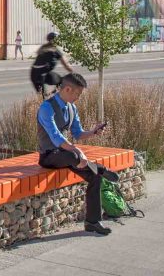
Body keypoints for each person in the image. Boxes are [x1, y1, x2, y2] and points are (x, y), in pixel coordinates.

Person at [37, 73, 119, 235]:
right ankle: (101, 168)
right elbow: (55, 136)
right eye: (77, 94)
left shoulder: (71, 108)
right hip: (49, 155)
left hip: (66, 154)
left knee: (94, 176)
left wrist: (93, 132)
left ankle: (92, 222)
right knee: (75, 156)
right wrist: (76, 150)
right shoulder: (46, 108)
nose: (78, 97)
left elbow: (78, 133)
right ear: (67, 89)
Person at [30, 32, 73, 99]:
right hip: (42, 75)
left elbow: (38, 55)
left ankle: (48, 96)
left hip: (34, 74)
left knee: (42, 97)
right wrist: (72, 72)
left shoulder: (42, 48)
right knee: (62, 81)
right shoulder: (55, 50)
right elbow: (66, 65)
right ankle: (56, 97)